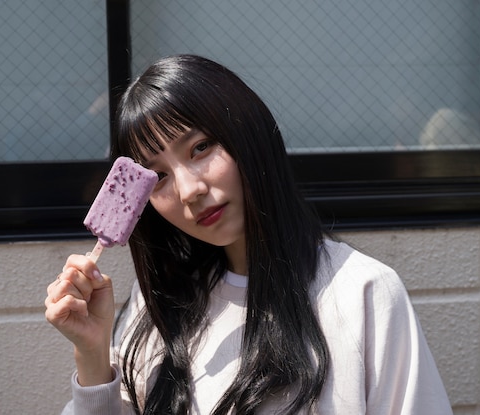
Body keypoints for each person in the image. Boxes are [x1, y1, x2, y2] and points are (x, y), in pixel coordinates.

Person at [45, 54, 453, 414]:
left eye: (201, 148)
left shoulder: (365, 294)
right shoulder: (156, 307)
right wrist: (93, 352)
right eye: (159, 176)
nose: (190, 191)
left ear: (249, 134)